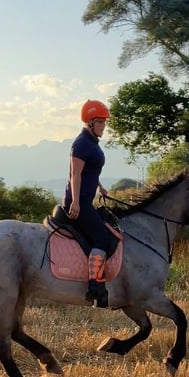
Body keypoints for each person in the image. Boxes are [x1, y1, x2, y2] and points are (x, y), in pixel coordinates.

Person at [63, 99, 111, 307]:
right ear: (90, 122)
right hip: (78, 203)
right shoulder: (81, 143)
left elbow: (91, 169)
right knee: (102, 237)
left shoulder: (91, 142)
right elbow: (76, 174)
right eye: (101, 122)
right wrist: (75, 202)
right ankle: (94, 286)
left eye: (104, 122)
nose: (104, 126)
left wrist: (99, 185)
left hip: (85, 200)